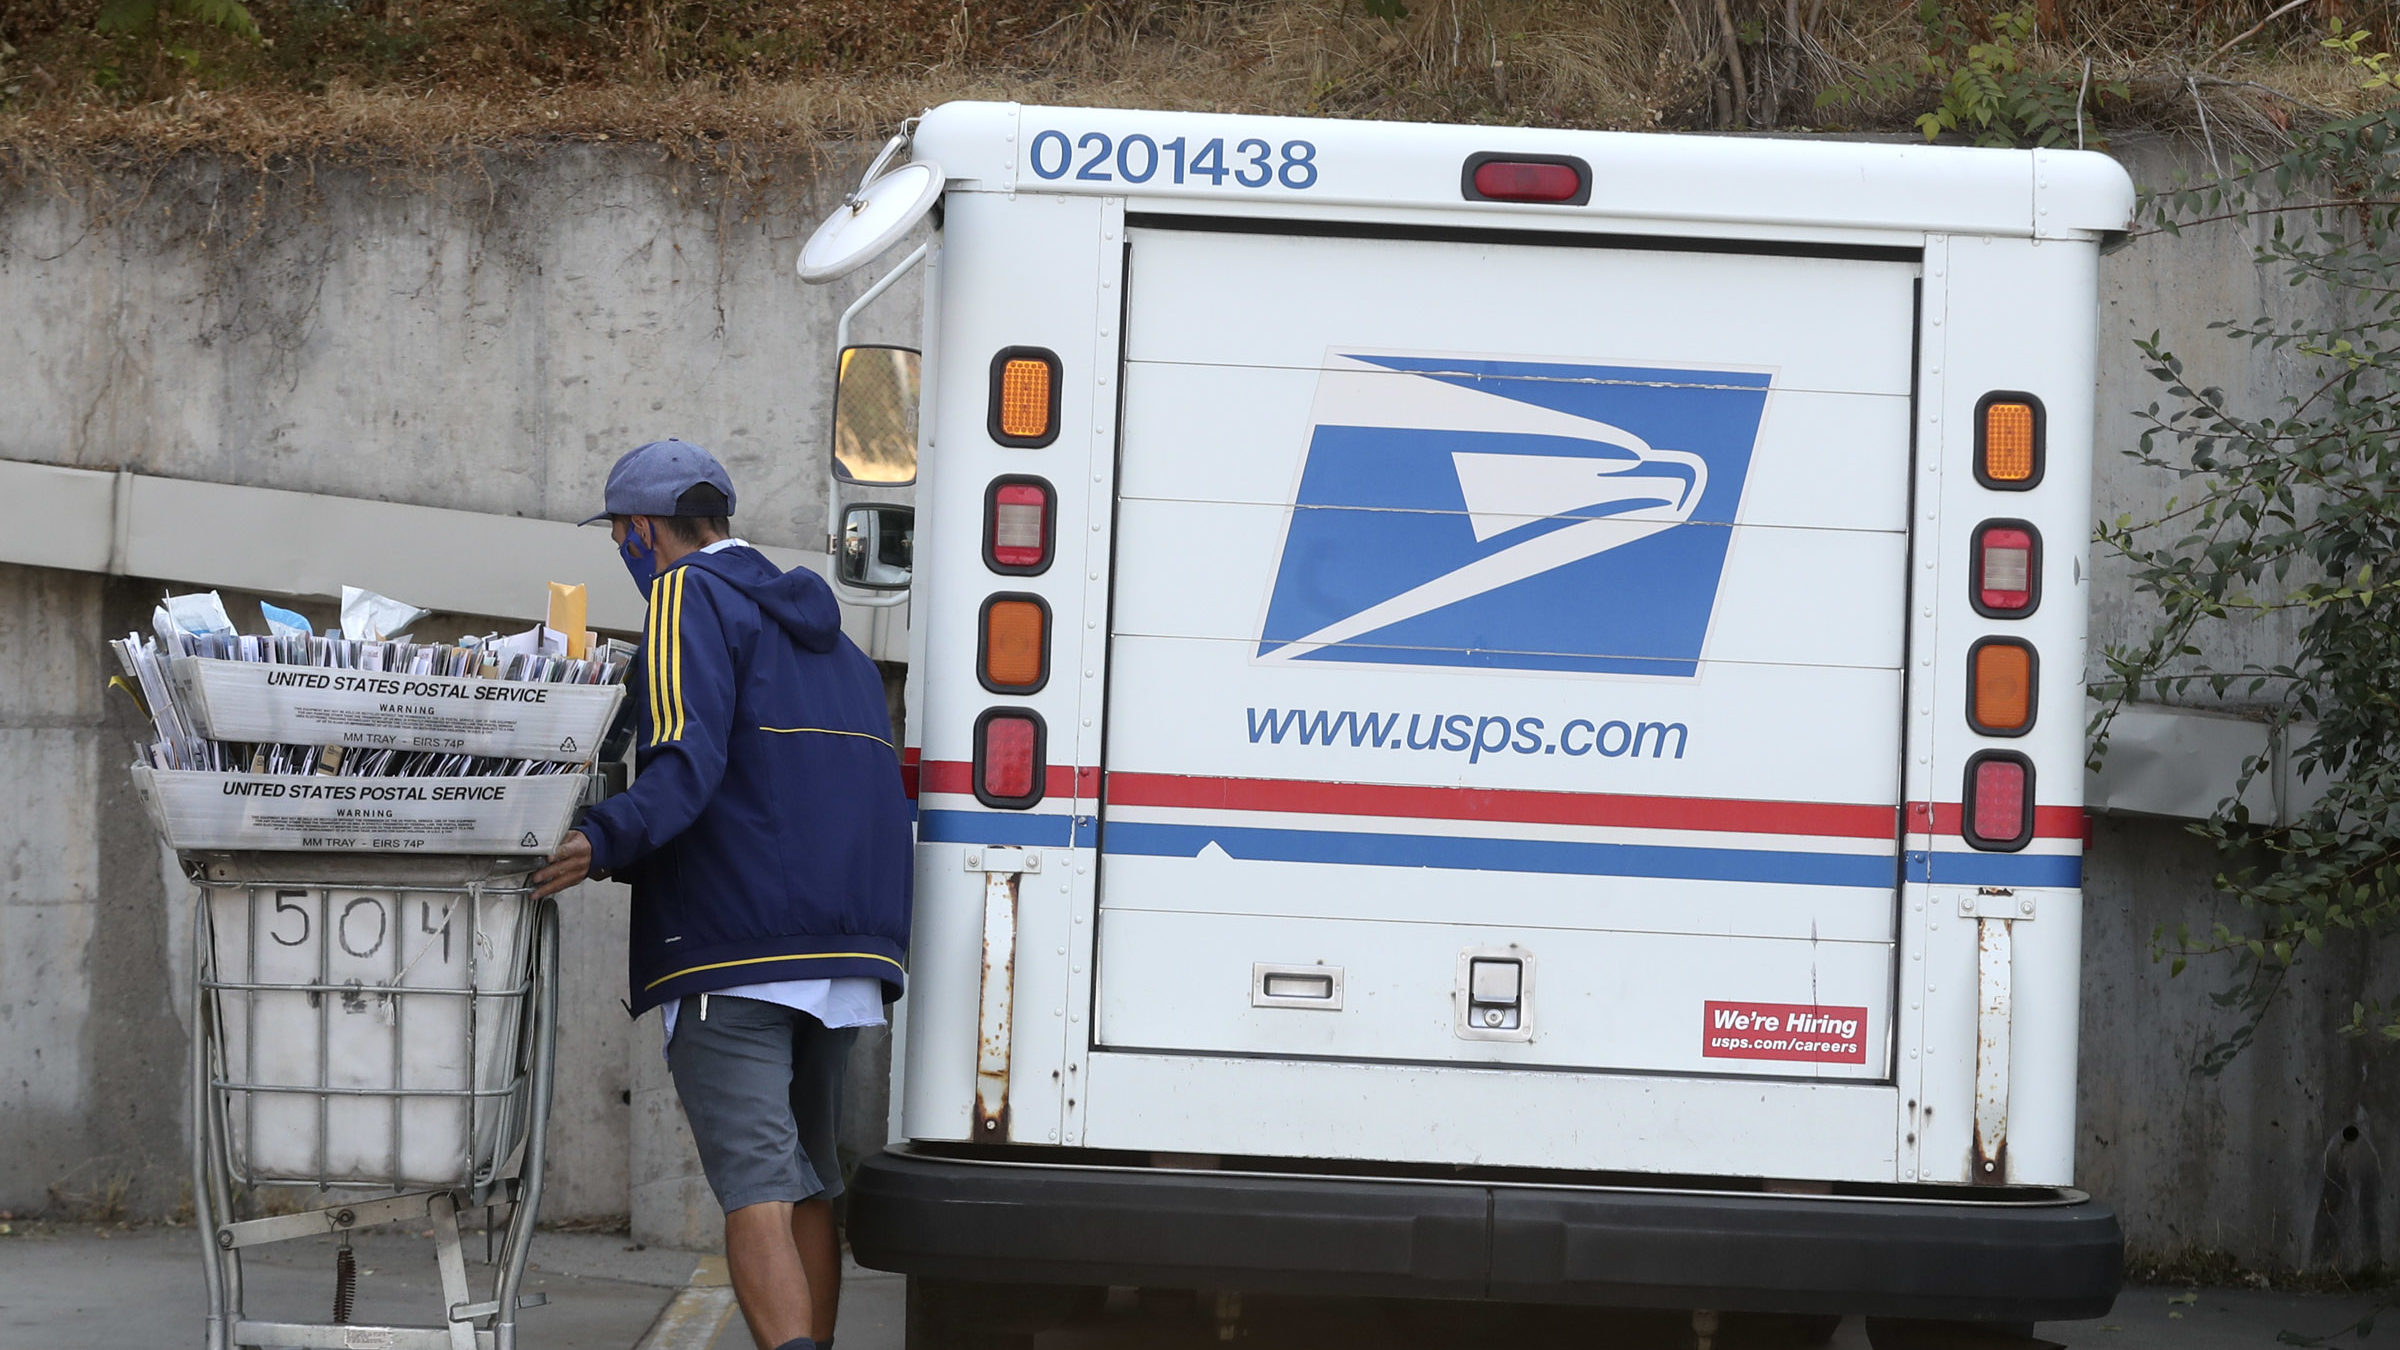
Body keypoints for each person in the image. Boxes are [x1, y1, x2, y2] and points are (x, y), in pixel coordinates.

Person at [532, 438, 912, 1350]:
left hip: (734, 949)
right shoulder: (835, 637)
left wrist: (598, 836)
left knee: (755, 1186)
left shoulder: (682, 596)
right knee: (811, 1180)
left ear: (639, 530)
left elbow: (686, 762)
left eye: (623, 536)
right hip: (846, 959)